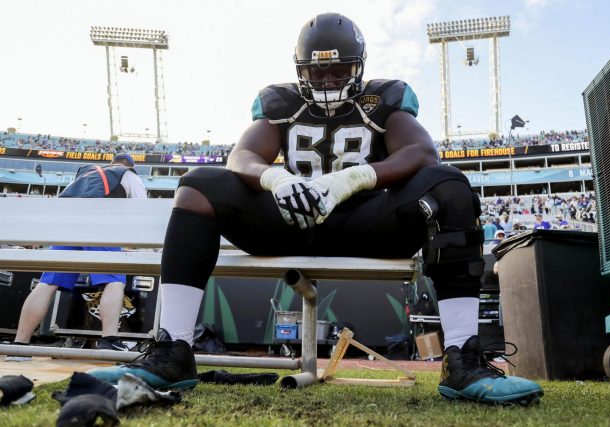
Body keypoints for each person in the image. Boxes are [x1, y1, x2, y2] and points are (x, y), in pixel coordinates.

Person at [88, 13, 542, 405]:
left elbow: (421, 153)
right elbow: (241, 157)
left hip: (367, 220)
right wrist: (277, 178)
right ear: (300, 70)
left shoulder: (383, 101)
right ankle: (173, 351)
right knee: (197, 186)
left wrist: (350, 179)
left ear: (358, 68)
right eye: (317, 72)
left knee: (450, 186)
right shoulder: (280, 103)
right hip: (292, 218)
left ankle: (462, 359)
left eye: (338, 69)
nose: (327, 81)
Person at [7, 154, 147, 360]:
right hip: (100, 222)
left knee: (47, 283)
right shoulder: (128, 174)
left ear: (111, 163)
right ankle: (109, 340)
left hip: (69, 225)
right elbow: (141, 211)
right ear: (130, 165)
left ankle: (19, 346)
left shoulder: (85, 172)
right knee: (114, 281)